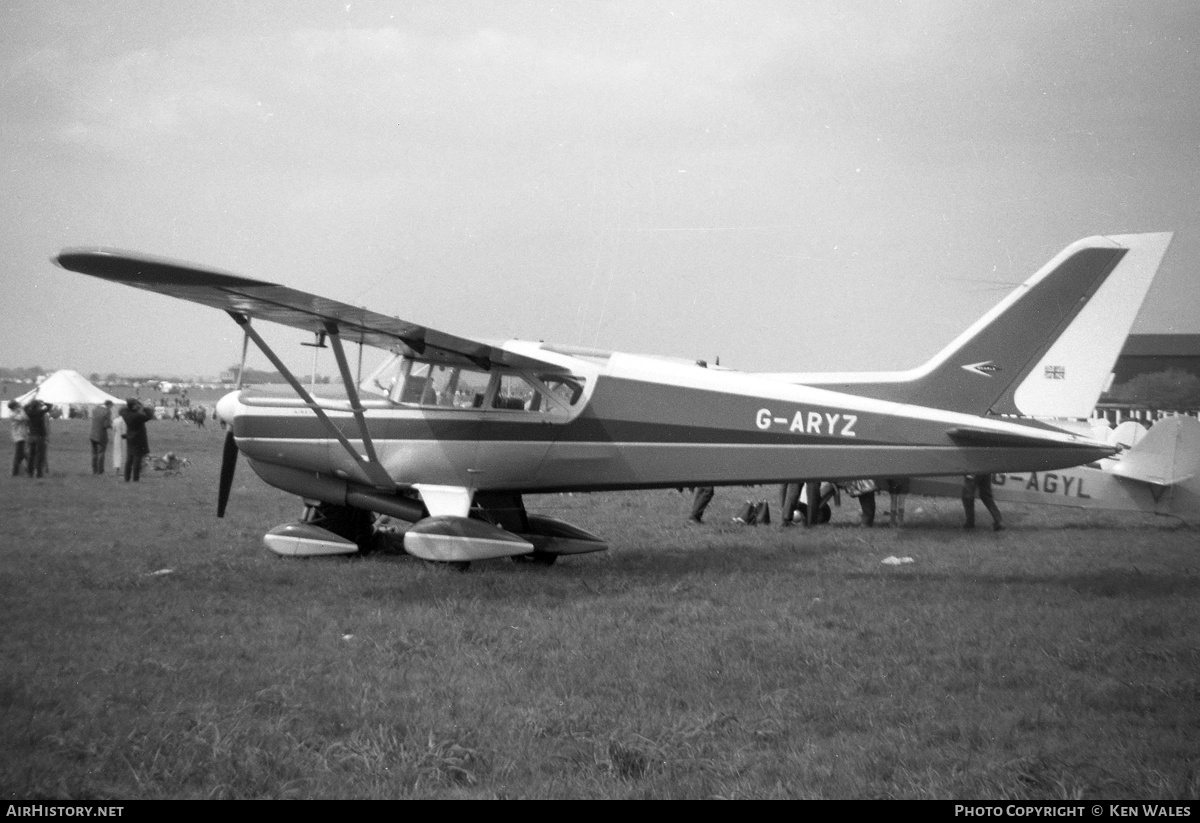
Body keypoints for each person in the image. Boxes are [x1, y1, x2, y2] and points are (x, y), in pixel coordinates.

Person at [119, 398, 155, 482]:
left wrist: (132, 406)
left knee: (129, 459)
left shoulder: (125, 413)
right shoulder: (137, 416)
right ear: (133, 406)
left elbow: (121, 409)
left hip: (129, 437)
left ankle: (127, 478)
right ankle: (135, 478)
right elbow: (149, 416)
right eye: (135, 404)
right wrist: (143, 406)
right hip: (138, 438)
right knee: (137, 459)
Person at [23, 398, 52, 479]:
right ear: (38, 406)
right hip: (40, 436)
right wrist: (43, 403)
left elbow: (24, 407)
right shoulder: (40, 412)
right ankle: (39, 473)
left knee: (31, 455)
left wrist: (29, 403)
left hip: (31, 436)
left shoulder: (29, 413)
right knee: (39, 455)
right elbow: (50, 406)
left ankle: (30, 473)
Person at [89, 400, 113, 475]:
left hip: (92, 434)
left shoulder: (95, 409)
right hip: (101, 435)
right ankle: (100, 471)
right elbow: (106, 425)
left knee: (94, 453)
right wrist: (111, 425)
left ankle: (94, 470)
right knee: (101, 453)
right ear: (109, 405)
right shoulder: (107, 411)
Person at [8, 400, 29, 476]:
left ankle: (18, 471)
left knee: (22, 454)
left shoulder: (15, 412)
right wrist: (21, 409)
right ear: (14, 407)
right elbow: (24, 417)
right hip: (18, 437)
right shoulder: (12, 414)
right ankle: (16, 472)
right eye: (16, 405)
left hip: (21, 436)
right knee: (20, 455)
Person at [110, 407, 126, 473]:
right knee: (125, 452)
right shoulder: (126, 420)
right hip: (125, 437)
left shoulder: (115, 420)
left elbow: (113, 430)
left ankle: (117, 467)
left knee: (117, 452)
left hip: (117, 436)